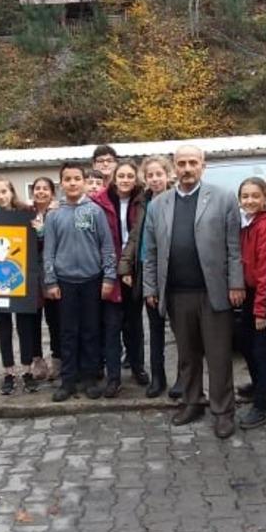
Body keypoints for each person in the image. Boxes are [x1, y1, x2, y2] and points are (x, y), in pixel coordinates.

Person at [142, 145, 244, 439]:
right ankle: (192, 402)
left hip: (213, 292)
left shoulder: (223, 198)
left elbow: (233, 247)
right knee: (187, 355)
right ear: (174, 167)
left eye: (192, 162)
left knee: (219, 355)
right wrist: (151, 287)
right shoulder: (158, 205)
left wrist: (236, 283)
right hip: (176, 293)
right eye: (181, 163)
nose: (187, 168)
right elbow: (151, 252)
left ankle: (223, 411)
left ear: (203, 165)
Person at [43, 163, 116, 402]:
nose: (72, 183)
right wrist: (51, 280)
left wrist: (108, 276)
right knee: (67, 332)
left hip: (92, 281)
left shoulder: (95, 212)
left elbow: (106, 246)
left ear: (84, 182)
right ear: (61, 183)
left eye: (77, 178)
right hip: (64, 283)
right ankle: (68, 380)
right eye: (67, 179)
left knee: (90, 331)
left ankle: (90, 378)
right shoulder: (54, 215)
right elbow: (49, 251)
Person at [90, 160, 149, 396]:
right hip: (108, 269)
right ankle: (113, 377)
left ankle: (137, 367)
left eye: (129, 176)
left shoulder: (143, 200)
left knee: (134, 324)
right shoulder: (99, 201)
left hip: (134, 268)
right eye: (121, 176)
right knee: (112, 325)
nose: (125, 180)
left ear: (136, 179)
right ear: (114, 178)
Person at [121, 156, 175, 398]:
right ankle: (158, 378)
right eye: (150, 175)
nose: (155, 179)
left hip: (173, 272)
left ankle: (184, 379)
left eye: (159, 174)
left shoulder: (177, 198)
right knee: (154, 328)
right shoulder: (142, 201)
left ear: (168, 175)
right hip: (147, 270)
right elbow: (135, 235)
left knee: (180, 331)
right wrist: (125, 266)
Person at [0, 177, 42, 395]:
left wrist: (39, 230)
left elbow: (39, 243)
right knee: (4, 327)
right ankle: (9, 372)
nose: (1, 197)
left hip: (21, 279)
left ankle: (27, 370)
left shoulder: (26, 213)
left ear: (12, 191)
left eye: (4, 192)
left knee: (25, 326)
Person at [235, 177, 266, 430]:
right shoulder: (246, 224)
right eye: (245, 196)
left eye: (255, 196)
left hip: (265, 295)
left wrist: (263, 309)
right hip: (250, 292)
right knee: (246, 343)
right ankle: (257, 384)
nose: (250, 200)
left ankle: (262, 405)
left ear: (264, 198)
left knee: (261, 350)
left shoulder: (265, 225)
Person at [29, 176, 60, 381]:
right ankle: (37, 360)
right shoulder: (25, 214)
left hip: (53, 272)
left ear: (52, 192)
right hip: (30, 273)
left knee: (55, 318)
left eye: (45, 188)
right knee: (33, 319)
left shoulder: (58, 212)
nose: (41, 192)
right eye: (37, 188)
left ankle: (57, 359)